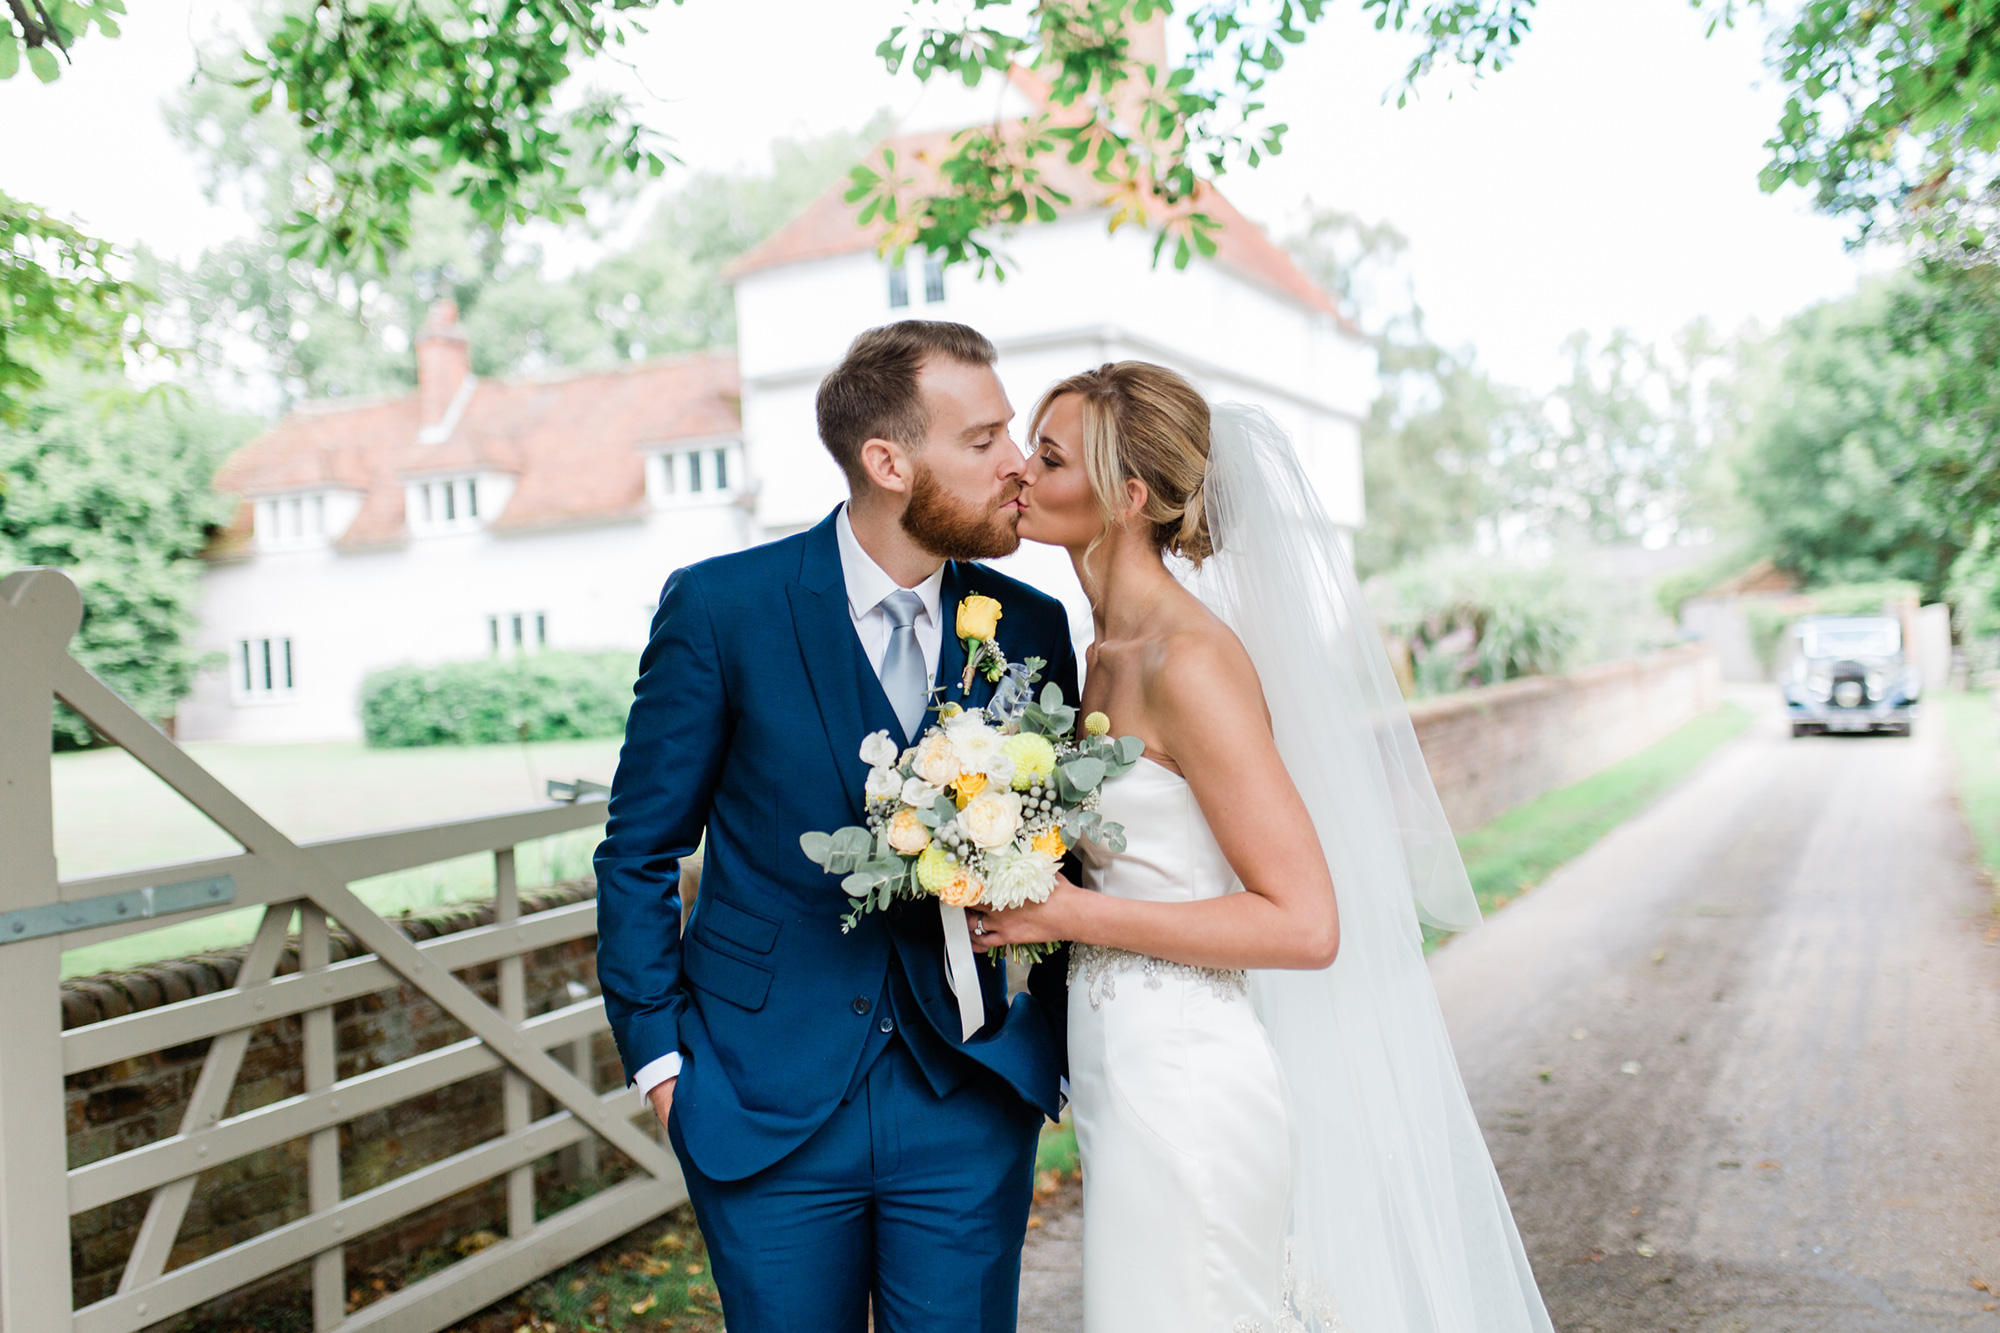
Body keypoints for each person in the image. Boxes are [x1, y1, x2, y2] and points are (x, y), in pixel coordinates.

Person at [976, 362, 1555, 1333]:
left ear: (1126, 496)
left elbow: (1304, 920)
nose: (1018, 474)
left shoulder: (1186, 659)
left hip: (1191, 1076)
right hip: (1123, 1062)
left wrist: (1068, 913)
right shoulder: (1099, 652)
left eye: (1046, 455)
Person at [594, 320, 1079, 1333]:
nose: (1016, 465)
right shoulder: (722, 608)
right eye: (983, 439)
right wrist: (662, 1067)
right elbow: (639, 849)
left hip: (967, 1093)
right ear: (888, 461)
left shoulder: (1030, 628)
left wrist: (1049, 1048)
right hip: (756, 1101)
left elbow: (1067, 858)